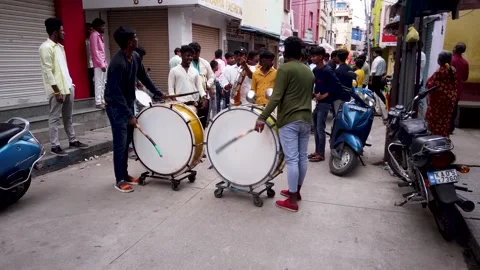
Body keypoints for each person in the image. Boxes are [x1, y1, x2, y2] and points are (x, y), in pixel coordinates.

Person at [254, 36, 313, 212]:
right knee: (302, 157)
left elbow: (276, 97)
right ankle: (296, 191)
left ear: (285, 51)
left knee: (292, 159)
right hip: (306, 119)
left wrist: (262, 117)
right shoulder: (308, 71)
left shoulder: (285, 69)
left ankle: (292, 201)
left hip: (289, 120)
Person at [105, 26, 164, 193]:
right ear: (129, 42)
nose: (138, 39)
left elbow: (144, 76)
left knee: (127, 142)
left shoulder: (135, 56)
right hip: (116, 107)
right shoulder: (117, 63)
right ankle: (119, 180)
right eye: (135, 37)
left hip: (128, 103)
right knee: (120, 144)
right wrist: (129, 115)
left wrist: (158, 92)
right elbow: (115, 94)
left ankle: (125, 174)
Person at [39, 18, 89, 156]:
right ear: (55, 32)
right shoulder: (45, 48)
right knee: (54, 117)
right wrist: (56, 91)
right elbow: (48, 71)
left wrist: (71, 84)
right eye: (62, 30)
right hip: (56, 90)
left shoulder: (60, 47)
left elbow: (63, 69)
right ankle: (55, 146)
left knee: (68, 116)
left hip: (67, 87)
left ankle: (72, 140)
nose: (64, 32)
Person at [309, 46, 343, 163]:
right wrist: (314, 94)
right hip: (318, 102)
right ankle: (317, 151)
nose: (312, 58)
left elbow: (337, 86)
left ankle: (321, 154)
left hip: (325, 103)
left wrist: (324, 96)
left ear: (321, 57)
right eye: (311, 56)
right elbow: (316, 85)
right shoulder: (315, 71)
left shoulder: (328, 70)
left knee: (320, 128)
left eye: (314, 56)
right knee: (316, 127)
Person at [169, 45, 209, 128]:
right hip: (179, 105)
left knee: (192, 128)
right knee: (181, 127)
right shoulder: (174, 71)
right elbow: (171, 88)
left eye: (191, 55)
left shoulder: (195, 71)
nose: (190, 58)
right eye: (188, 55)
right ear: (182, 55)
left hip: (192, 105)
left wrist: (204, 98)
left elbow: (199, 87)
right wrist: (174, 100)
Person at [425, 51, 458, 138]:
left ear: (439, 61)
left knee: (435, 124)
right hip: (449, 102)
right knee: (445, 123)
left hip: (438, 104)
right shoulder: (453, 70)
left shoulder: (439, 72)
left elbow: (429, 85)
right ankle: (444, 139)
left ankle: (436, 141)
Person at [189, 42, 215, 126]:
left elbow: (212, 76)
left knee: (202, 120)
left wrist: (208, 84)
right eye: (194, 53)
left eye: (198, 53)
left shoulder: (205, 63)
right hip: (191, 97)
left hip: (203, 97)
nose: (196, 55)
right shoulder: (186, 63)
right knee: (192, 121)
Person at [450, 42, 469, 134]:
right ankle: (451, 127)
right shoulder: (465, 63)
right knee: (454, 107)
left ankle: (445, 125)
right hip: (458, 89)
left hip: (448, 87)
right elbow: (465, 78)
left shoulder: (451, 60)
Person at [89, 18, 107, 109]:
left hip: (102, 63)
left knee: (103, 82)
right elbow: (95, 51)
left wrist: (104, 63)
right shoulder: (94, 35)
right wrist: (101, 64)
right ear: (97, 26)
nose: (104, 27)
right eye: (102, 26)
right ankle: (98, 102)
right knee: (99, 82)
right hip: (98, 63)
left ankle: (102, 100)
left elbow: (101, 51)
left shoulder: (99, 35)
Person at [85, 23, 95, 97]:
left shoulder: (93, 40)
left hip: (93, 64)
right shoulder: (85, 41)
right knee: (89, 81)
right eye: (89, 29)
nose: (90, 31)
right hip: (87, 65)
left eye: (91, 30)